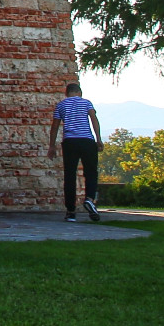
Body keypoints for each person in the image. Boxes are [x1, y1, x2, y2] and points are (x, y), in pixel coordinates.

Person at [47, 81, 103, 221]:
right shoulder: (86, 103)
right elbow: (94, 119)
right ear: (80, 92)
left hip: (70, 142)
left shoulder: (61, 105)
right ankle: (89, 199)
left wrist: (52, 146)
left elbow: (55, 127)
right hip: (87, 141)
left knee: (70, 176)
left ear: (66, 93)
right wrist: (99, 139)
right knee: (91, 172)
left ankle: (71, 212)